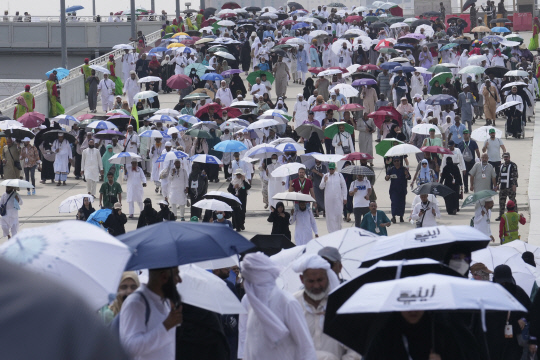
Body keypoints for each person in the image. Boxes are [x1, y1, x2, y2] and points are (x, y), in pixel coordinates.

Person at [238, 253, 317, 360]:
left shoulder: (287, 303)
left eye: (253, 281)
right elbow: (249, 343)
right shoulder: (254, 305)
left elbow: (306, 347)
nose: (249, 286)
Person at [291, 254, 360, 360]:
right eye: (311, 281)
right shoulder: (292, 304)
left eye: (320, 280)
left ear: (328, 277)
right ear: (302, 279)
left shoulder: (341, 304)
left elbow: (355, 346)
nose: (317, 286)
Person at [119, 267, 182, 360]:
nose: (180, 280)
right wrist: (165, 326)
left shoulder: (166, 302)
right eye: (176, 275)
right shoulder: (135, 303)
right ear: (164, 277)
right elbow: (130, 348)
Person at [485, 264, 531, 360]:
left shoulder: (518, 292)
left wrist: (523, 319)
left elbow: (530, 309)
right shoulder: (488, 293)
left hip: (513, 338)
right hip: (493, 338)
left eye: (506, 283)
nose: (503, 285)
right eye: (500, 283)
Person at [319, 162, 347, 233]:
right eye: (330, 169)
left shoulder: (339, 175)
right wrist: (324, 181)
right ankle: (331, 232)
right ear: (328, 169)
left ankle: (338, 230)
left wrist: (345, 197)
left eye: (332, 169)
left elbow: (344, 186)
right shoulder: (325, 175)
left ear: (335, 168)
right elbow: (321, 187)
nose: (331, 170)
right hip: (329, 200)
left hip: (338, 199)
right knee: (330, 216)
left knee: (338, 215)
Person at [385, 156, 411, 223]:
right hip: (393, 190)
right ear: (393, 162)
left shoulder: (404, 169)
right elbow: (386, 178)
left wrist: (406, 174)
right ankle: (393, 217)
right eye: (395, 161)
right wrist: (387, 177)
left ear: (400, 161)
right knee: (394, 203)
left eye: (398, 161)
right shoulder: (391, 169)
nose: (396, 162)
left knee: (401, 204)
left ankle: (401, 216)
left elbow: (409, 177)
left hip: (402, 189)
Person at [497, 152, 518, 221]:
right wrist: (498, 184)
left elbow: (515, 176)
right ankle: (501, 216)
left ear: (509, 157)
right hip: (502, 187)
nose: (506, 158)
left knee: (512, 201)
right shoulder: (502, 165)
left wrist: (514, 185)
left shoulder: (513, 165)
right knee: (501, 202)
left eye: (507, 157)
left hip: (510, 187)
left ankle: (516, 215)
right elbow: (500, 176)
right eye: (504, 157)